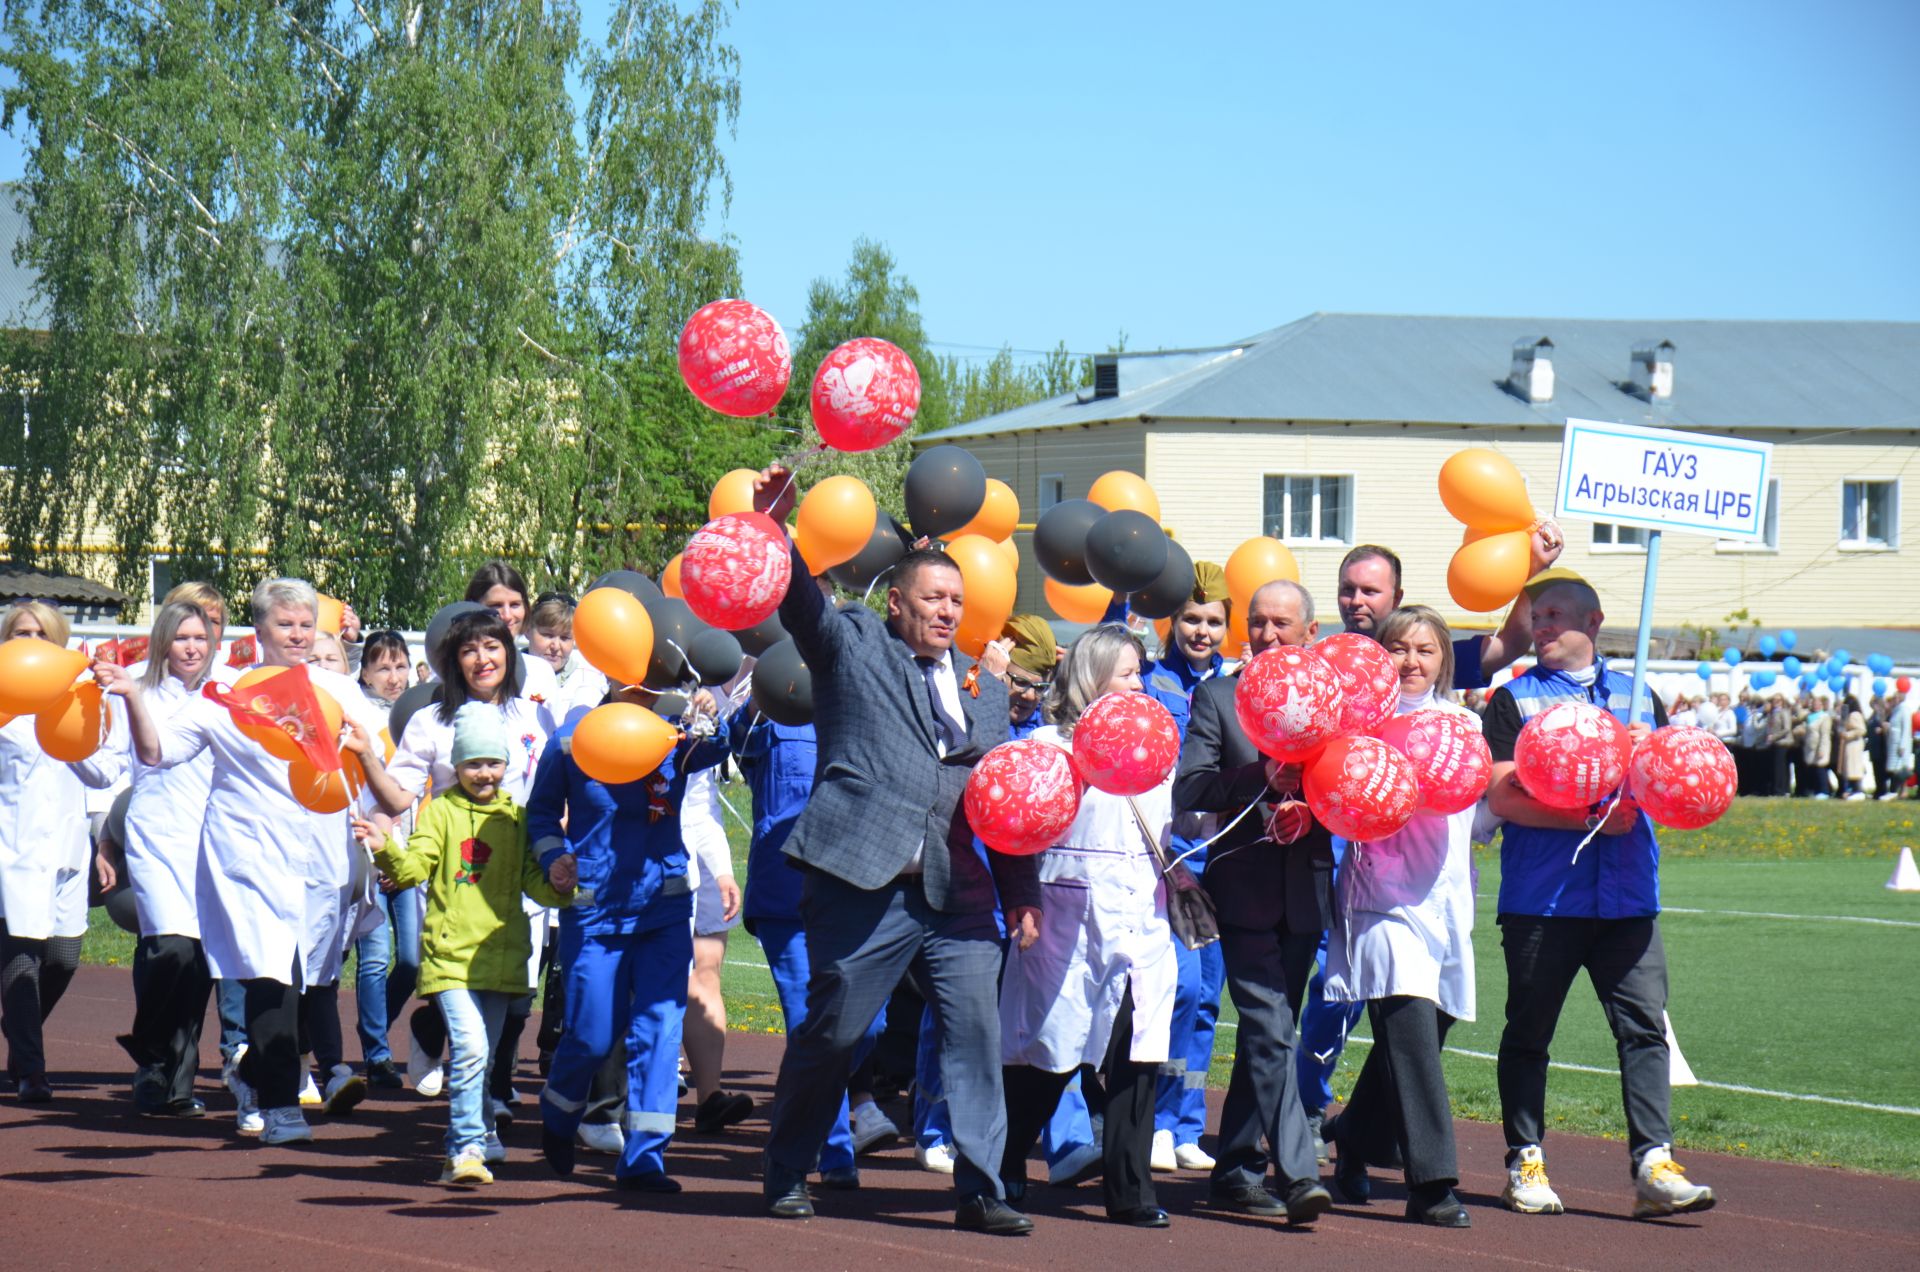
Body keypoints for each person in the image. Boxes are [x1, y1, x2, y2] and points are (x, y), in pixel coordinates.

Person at [752, 463, 1042, 1236]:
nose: (947, 611)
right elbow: (802, 603)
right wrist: (773, 526)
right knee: (838, 1032)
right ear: (895, 602)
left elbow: (1005, 803)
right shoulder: (852, 646)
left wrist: (1023, 894)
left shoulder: (984, 695)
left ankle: (982, 1189)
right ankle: (786, 1167)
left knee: (977, 1035)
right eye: (932, 599)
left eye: (956, 600)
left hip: (958, 894)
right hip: (861, 879)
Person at [102, 577, 394, 1144]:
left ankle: (255, 1070)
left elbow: (371, 764)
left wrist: (379, 823)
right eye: (285, 624)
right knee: (270, 975)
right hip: (248, 857)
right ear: (258, 631)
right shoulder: (225, 695)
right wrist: (134, 698)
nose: (297, 635)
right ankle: (283, 1110)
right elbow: (157, 752)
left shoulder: (341, 691)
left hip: (321, 855)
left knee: (310, 985)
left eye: (306, 625)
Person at [1303, 533, 1561, 1157]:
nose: (1358, 599)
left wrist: (1528, 567)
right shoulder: (1338, 692)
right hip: (1370, 881)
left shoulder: (1461, 720)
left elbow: (1511, 644)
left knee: (1433, 1012)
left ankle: (1356, 1134)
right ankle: (1411, 1165)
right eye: (1349, 588)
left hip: (1443, 887)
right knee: (1358, 1008)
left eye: (1371, 589)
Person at [1483, 569, 1715, 1219]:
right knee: (1530, 1033)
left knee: (1645, 1030)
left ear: (1593, 623)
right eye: (1536, 616)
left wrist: (1655, 756)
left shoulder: (1639, 695)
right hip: (1542, 898)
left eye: (1555, 614)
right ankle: (1524, 1160)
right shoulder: (1515, 699)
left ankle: (1653, 1163)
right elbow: (1502, 794)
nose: (1542, 626)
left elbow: (1677, 789)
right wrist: (1584, 816)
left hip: (1627, 898)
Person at [998, 625, 1178, 1228]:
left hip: (1141, 919)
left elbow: (1184, 822)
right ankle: (1005, 1160)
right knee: (1048, 1051)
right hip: (1066, 920)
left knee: (1135, 1055)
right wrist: (1021, 898)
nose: (1138, 685)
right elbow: (1016, 832)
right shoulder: (1049, 746)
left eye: (1140, 673)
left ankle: (1131, 1190)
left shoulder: (1158, 748)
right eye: (1126, 673)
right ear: (1092, 676)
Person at [354, 703, 573, 1185]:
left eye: (492, 763)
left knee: (485, 1056)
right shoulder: (440, 813)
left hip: (503, 957)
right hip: (452, 956)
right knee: (472, 1048)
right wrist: (384, 846)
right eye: (473, 763)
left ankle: (476, 1135)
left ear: (506, 765)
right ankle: (466, 1147)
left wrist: (564, 883)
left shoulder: (517, 818)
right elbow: (413, 869)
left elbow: (536, 884)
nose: (484, 773)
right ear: (456, 766)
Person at [1173, 578, 1335, 1226]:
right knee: (1270, 1029)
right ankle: (1298, 1174)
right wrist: (1258, 779)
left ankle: (1236, 1170)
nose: (1268, 635)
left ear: (1310, 634)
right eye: (1259, 623)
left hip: (1305, 896)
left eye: (1282, 625)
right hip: (1240, 893)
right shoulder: (1217, 697)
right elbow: (1191, 787)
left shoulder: (1336, 703)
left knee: (1269, 1038)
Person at [526, 684, 725, 1193]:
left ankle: (644, 1158)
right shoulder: (573, 739)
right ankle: (560, 1106)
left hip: (664, 907)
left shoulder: (676, 735)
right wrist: (554, 858)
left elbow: (724, 748)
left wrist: (712, 717)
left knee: (659, 1030)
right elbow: (542, 814)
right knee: (592, 1032)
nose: (643, 682)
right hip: (596, 911)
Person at [1320, 606, 1479, 1227]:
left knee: (1425, 1030)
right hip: (1380, 896)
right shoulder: (1358, 729)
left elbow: (1478, 812)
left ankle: (1354, 1137)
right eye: (1396, 648)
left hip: (1445, 900)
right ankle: (1433, 1184)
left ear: (1444, 661)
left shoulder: (1463, 724)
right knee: (1410, 1029)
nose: (1410, 662)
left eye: (1425, 651)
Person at [363, 610, 558, 1113]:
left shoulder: (534, 715)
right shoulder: (431, 721)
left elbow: (553, 788)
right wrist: (367, 758)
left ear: (508, 654)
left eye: (492, 648)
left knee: (517, 996)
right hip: (459, 877)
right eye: (470, 650)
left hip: (518, 871)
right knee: (467, 986)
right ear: (454, 661)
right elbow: (399, 795)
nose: (482, 659)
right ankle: (486, 1101)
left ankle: (445, 1038)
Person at [915, 612, 1060, 1177]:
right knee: (947, 1018)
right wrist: (991, 695)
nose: (1023, 695)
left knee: (1008, 1025)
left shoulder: (1039, 732)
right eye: (1016, 681)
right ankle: (932, 1126)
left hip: (1021, 893)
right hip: (961, 885)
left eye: (1034, 686)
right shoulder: (968, 705)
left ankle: (1004, 1133)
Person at [69, 600, 221, 1116]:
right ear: (162, 642)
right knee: (170, 951)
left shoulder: (225, 695)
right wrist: (66, 746)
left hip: (213, 840)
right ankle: (151, 1052)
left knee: (199, 965)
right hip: (155, 837)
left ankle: (174, 1084)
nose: (192, 648)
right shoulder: (133, 689)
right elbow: (106, 767)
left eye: (200, 638)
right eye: (181, 638)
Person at [1142, 563, 1231, 1174]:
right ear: (1172, 622)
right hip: (1166, 859)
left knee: (1207, 1004)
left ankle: (1187, 1125)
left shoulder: (1238, 684)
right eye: (1192, 619)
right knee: (1180, 991)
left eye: (1214, 621)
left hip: (1224, 861)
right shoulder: (1148, 683)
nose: (1202, 631)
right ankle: (1152, 1120)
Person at [0, 602, 96, 1102]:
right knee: (21, 959)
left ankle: (18, 1032)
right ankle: (31, 1071)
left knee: (62, 957)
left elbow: (103, 775)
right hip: (10, 850)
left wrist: (106, 841)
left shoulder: (79, 694)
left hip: (67, 846)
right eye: (20, 632)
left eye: (41, 632)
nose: (31, 640)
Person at [349, 629, 418, 1090]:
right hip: (368, 852)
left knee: (412, 960)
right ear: (365, 674)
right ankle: (376, 1053)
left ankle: (375, 1023)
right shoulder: (355, 716)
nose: (394, 677)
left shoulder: (420, 716)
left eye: (400, 666)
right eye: (383, 668)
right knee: (373, 958)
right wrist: (374, 851)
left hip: (409, 856)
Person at [466, 560, 561, 702]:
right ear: (472, 607)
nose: (507, 616)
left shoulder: (541, 672)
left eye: (515, 605)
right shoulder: (457, 674)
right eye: (496, 605)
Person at [1836, 694, 1869, 800]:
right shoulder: (1849, 715)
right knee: (1849, 768)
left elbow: (1861, 730)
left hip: (1854, 744)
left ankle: (1857, 790)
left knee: (1854, 767)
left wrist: (1848, 735)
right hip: (1849, 744)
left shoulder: (1855, 715)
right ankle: (1851, 789)